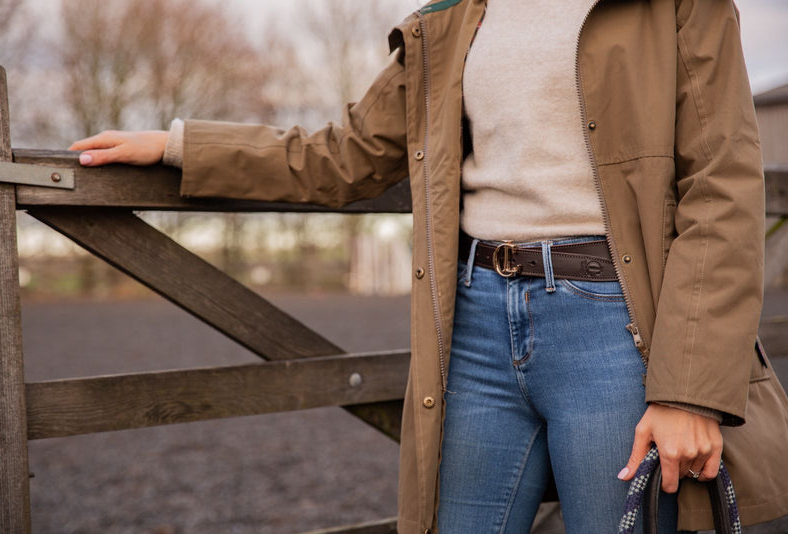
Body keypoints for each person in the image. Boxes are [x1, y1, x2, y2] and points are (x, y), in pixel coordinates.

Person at [70, 0, 788, 532]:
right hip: (472, 331)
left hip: (615, 332)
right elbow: (340, 157)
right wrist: (180, 146)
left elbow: (722, 190)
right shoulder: (449, 20)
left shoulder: (677, 7)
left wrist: (689, 393)